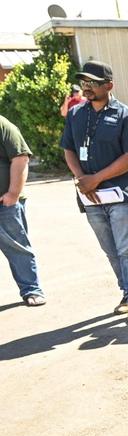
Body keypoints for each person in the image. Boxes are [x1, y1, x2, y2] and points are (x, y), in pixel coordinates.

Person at [60, 60, 128, 323]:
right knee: (110, 249)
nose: (85, 87)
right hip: (89, 196)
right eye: (83, 83)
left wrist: (96, 178)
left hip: (120, 194)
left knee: (125, 248)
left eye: (92, 83)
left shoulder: (126, 116)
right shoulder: (76, 115)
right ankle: (126, 291)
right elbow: (69, 149)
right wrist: (81, 179)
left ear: (109, 85)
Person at [0, 114, 45, 306]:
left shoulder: (3, 125)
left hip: (5, 204)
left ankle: (32, 290)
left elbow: (20, 158)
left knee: (17, 248)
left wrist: (13, 193)